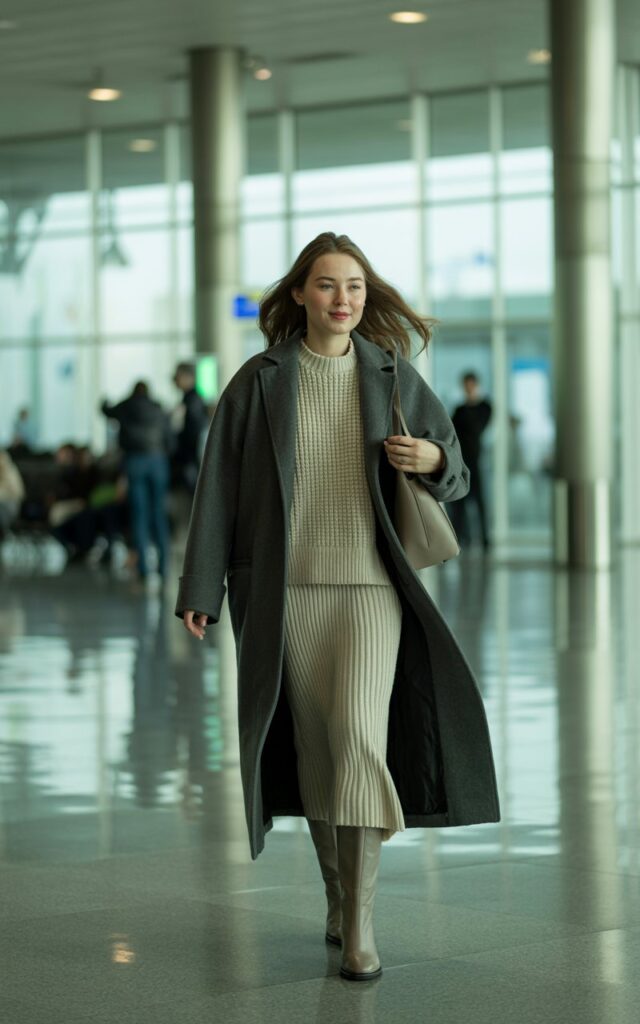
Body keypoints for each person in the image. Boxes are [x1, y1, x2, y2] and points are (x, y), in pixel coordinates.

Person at [175, 232, 500, 982]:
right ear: (300, 294)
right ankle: (337, 893)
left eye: (354, 285)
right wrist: (201, 588)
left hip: (371, 589)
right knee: (317, 750)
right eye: (327, 285)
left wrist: (435, 459)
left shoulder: (392, 375)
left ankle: (360, 925)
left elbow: (456, 470)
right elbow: (217, 488)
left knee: (357, 738)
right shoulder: (258, 382)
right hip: (283, 593)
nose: (343, 298)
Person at [101, 382, 171, 583]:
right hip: (158, 462)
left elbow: (107, 411)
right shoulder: (158, 408)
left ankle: (143, 568)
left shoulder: (126, 406)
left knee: (139, 514)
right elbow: (170, 439)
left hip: (135, 462)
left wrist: (104, 401)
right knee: (159, 513)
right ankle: (163, 566)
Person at [450, 371, 493, 550]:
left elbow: (477, 428)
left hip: (476, 461)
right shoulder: (459, 410)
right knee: (459, 502)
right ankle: (460, 537)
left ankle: (484, 539)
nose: (468, 388)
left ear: (475, 385)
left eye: (471, 384)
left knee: (480, 502)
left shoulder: (485, 407)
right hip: (462, 461)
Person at [171, 362, 208, 495]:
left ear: (189, 377)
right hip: (191, 456)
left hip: (191, 457)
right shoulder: (191, 399)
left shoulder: (192, 401)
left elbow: (194, 431)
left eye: (178, 377)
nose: (175, 381)